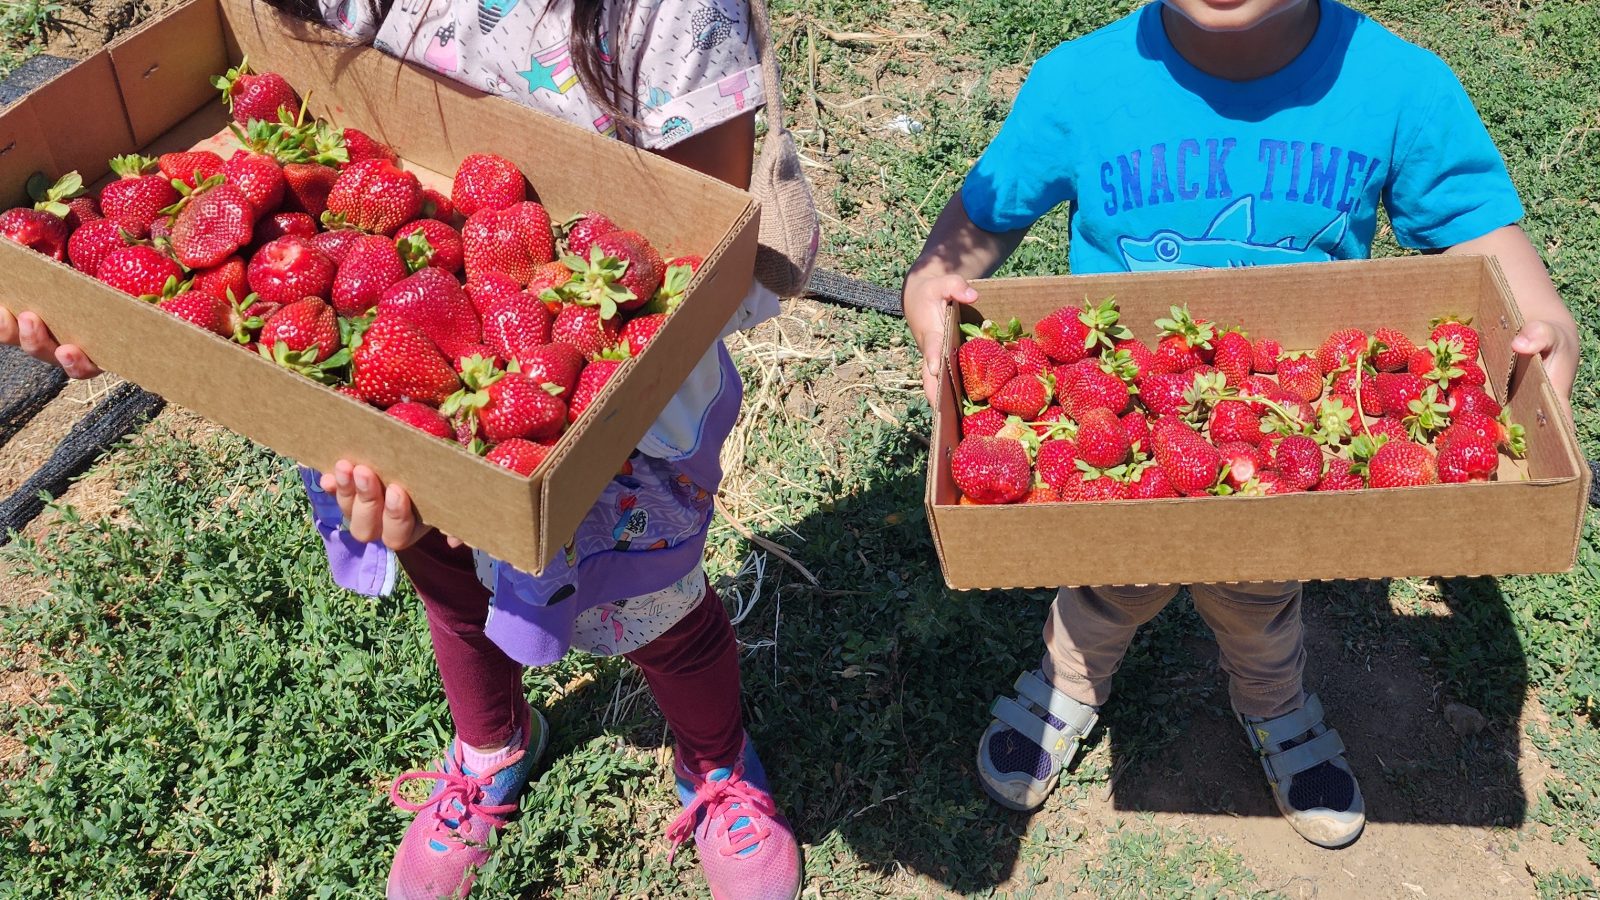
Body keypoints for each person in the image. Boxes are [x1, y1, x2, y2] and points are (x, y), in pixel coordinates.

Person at [0, 0, 804, 896]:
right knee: (446, 572)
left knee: (654, 604)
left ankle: (717, 763)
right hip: (395, 389)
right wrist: (90, 308)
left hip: (623, 412)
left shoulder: (671, 15)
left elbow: (693, 251)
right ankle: (491, 746)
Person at [901, 0, 1579, 849]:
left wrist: (1547, 322)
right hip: (1129, 417)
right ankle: (1068, 681)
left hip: (1279, 431)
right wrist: (932, 298)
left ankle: (1273, 699)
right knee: (1109, 582)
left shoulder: (1400, 88)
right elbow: (971, 231)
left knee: (1260, 594)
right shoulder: (1079, 86)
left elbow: (1489, 243)